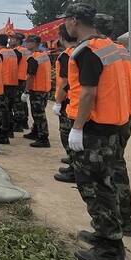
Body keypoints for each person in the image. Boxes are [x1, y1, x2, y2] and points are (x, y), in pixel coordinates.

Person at [63, 3, 131, 260]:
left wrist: (77, 128)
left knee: (94, 186)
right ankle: (105, 234)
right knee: (106, 182)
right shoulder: (112, 47)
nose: (66, 24)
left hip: (96, 130)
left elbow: (89, 93)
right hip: (115, 125)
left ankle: (111, 249)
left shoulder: (87, 51)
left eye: (67, 20)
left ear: (74, 21)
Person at [93, 13, 131, 237]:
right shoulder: (121, 50)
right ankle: (126, 220)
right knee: (119, 168)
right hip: (124, 116)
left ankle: (114, 227)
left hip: (109, 120)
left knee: (106, 174)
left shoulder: (99, 50)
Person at [53, 24, 77, 183]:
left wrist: (58, 102)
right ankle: (74, 163)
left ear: (62, 38)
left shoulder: (66, 55)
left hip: (68, 99)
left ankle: (75, 168)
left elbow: (65, 82)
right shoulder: (81, 51)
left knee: (66, 132)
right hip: (76, 98)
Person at [21, 35, 51, 147]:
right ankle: (36, 132)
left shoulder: (34, 58)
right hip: (44, 89)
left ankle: (43, 138)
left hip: (37, 89)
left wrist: (26, 91)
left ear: (34, 43)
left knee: (39, 114)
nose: (26, 44)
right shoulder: (44, 55)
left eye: (28, 42)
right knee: (38, 113)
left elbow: (31, 76)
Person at [0, 34, 19, 142]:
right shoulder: (13, 52)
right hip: (13, 83)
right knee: (9, 109)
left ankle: (3, 135)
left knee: (2, 110)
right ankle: (9, 132)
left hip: (3, 84)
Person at [9, 32, 31, 131]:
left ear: (17, 41)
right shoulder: (26, 50)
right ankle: (24, 122)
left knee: (17, 102)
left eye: (12, 39)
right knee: (23, 102)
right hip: (25, 78)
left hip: (17, 79)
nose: (10, 40)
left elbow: (13, 65)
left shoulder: (17, 51)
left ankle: (18, 125)